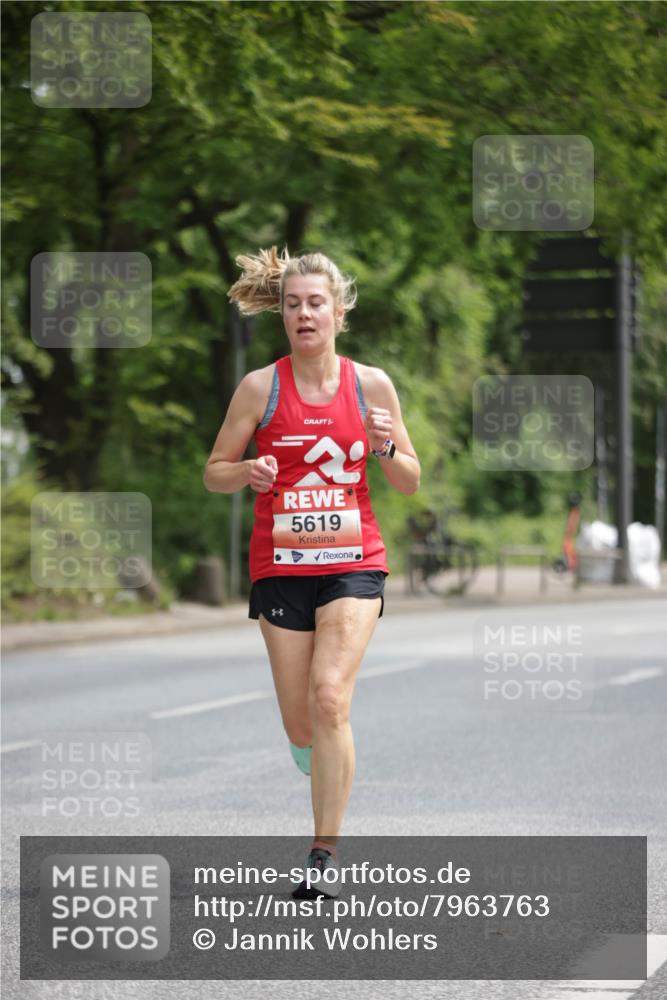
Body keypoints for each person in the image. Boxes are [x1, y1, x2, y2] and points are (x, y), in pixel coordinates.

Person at [203, 246, 420, 898]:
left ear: (338, 312)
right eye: (293, 303)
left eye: (316, 303)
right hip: (280, 566)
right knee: (303, 723)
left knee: (330, 698)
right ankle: (317, 753)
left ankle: (323, 854)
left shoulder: (371, 385)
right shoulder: (259, 389)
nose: (304, 313)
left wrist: (384, 445)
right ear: (282, 313)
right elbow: (214, 471)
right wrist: (247, 471)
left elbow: (407, 480)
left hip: (354, 562)